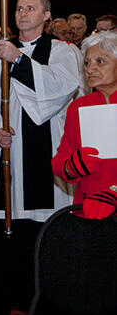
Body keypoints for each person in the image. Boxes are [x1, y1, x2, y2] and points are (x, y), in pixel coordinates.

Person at [0, 0, 84, 315]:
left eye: (30, 8)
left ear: (47, 16)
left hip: (43, 151)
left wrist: (18, 60)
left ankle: (41, 306)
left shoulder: (62, 51)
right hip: (6, 151)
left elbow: (60, 91)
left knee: (40, 233)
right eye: (18, 8)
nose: (22, 13)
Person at [51, 31, 117, 218]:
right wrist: (71, 166)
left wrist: (114, 192)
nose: (90, 69)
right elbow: (60, 160)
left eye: (100, 62)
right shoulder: (79, 106)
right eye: (87, 63)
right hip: (87, 209)